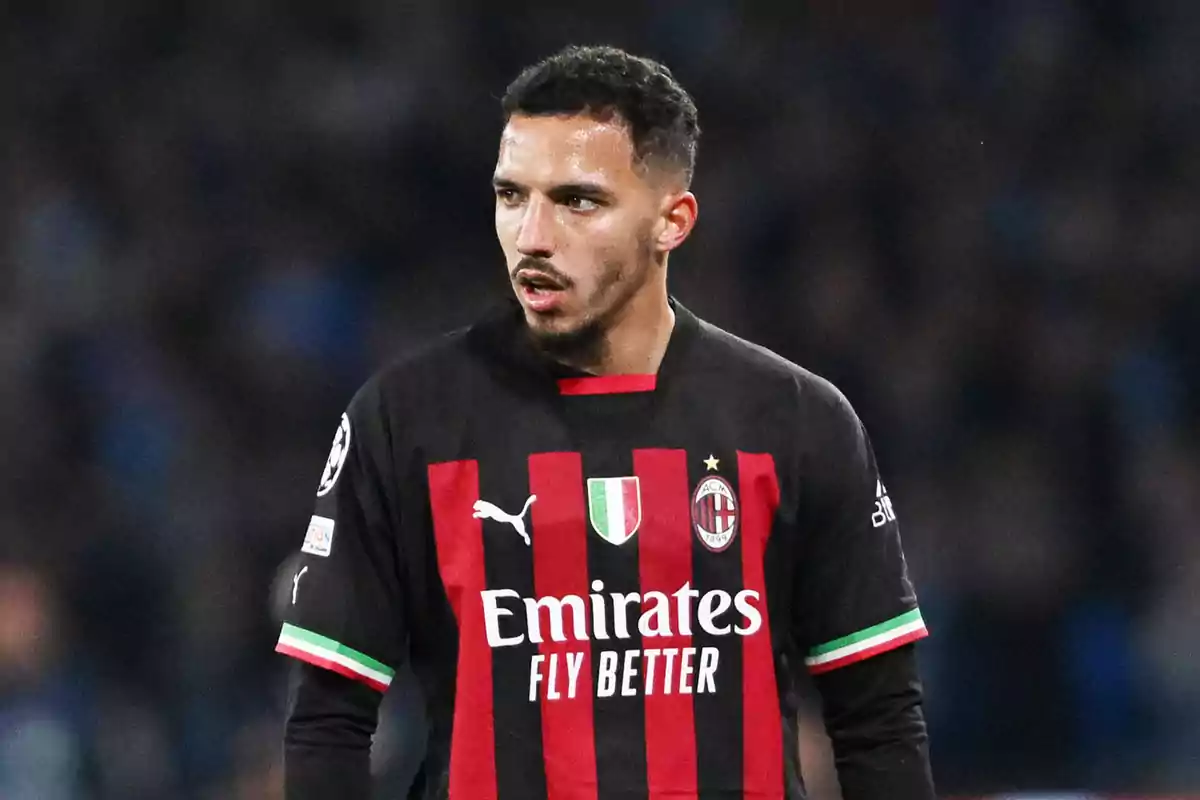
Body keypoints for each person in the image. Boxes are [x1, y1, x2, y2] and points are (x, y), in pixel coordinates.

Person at [277, 44, 935, 799]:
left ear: (672, 221)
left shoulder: (793, 422)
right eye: (511, 195)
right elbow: (329, 717)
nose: (532, 236)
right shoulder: (405, 421)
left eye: (577, 201)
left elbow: (877, 719)